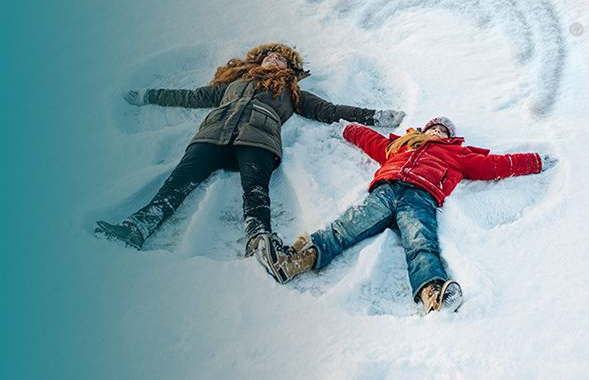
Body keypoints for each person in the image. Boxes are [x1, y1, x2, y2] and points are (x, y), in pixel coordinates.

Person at [95, 43, 405, 261]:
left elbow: (329, 110)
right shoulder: (235, 83)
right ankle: (137, 227)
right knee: (178, 182)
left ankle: (259, 239)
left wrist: (374, 116)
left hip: (259, 138)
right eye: (269, 55)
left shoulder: (291, 91)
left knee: (256, 191)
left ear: (290, 68)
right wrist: (148, 95)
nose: (273, 59)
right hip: (213, 133)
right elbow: (190, 97)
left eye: (280, 58)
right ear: (258, 61)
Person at [258, 116, 558, 314]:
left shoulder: (459, 155)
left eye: (444, 131)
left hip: (421, 197)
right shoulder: (400, 146)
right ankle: (295, 260)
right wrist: (348, 129)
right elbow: (370, 140)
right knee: (346, 227)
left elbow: (496, 165)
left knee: (420, 242)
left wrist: (534, 161)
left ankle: (433, 294)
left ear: (450, 138)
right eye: (435, 128)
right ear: (424, 129)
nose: (438, 132)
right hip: (386, 190)